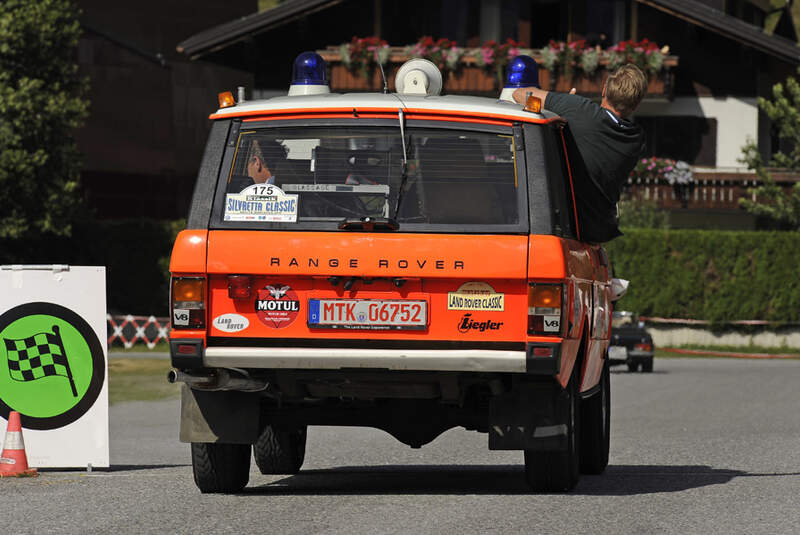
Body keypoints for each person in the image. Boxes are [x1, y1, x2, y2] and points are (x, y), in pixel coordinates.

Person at [513, 64, 647, 242]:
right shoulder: (636, 139)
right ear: (636, 104)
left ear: (604, 89)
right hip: (597, 234)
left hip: (562, 227)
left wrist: (560, 108)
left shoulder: (579, 109)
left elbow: (519, 95)